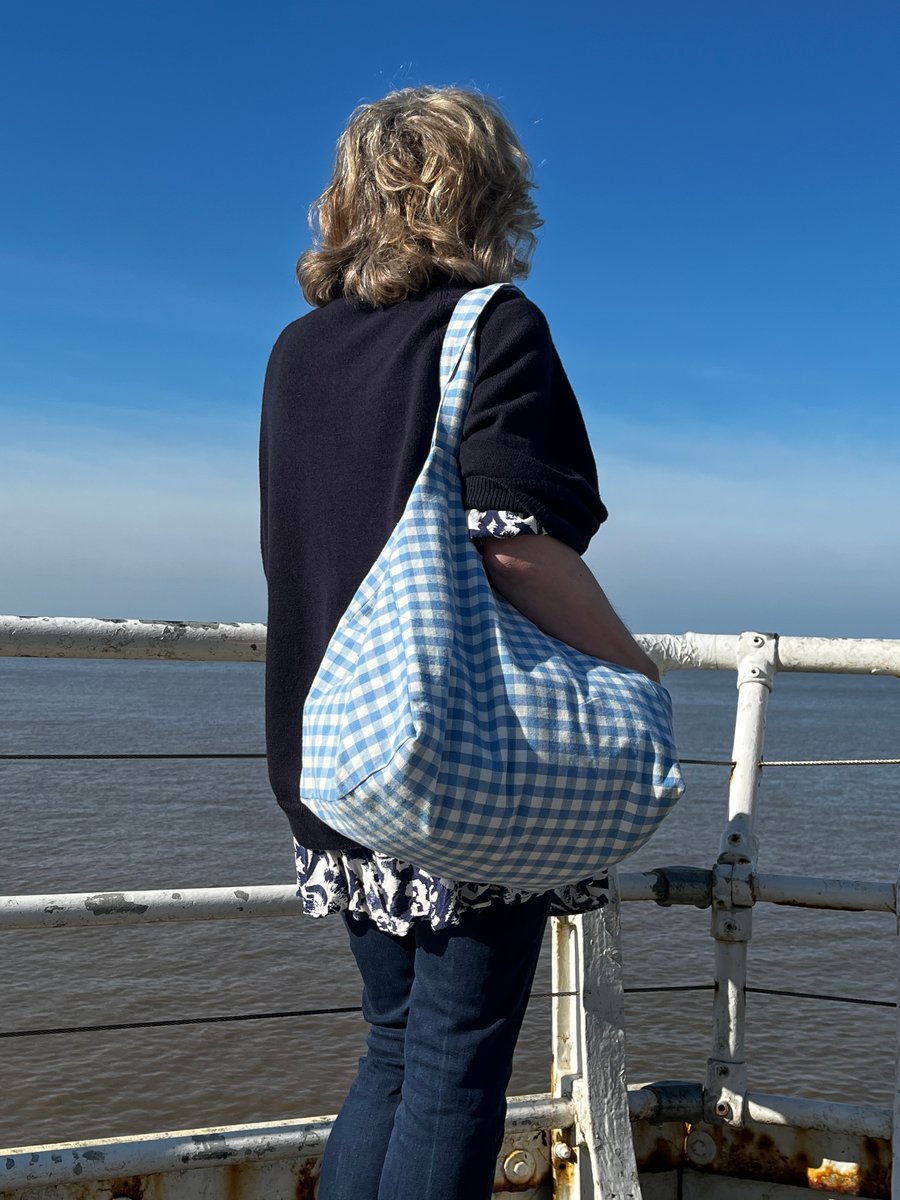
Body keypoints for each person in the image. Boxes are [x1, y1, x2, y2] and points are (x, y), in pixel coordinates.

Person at [259, 84, 659, 1200]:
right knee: (454, 1068)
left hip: (334, 755)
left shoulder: (297, 354)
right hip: (454, 755)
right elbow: (515, 548)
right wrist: (635, 668)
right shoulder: (493, 326)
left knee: (393, 1046)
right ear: (481, 189)